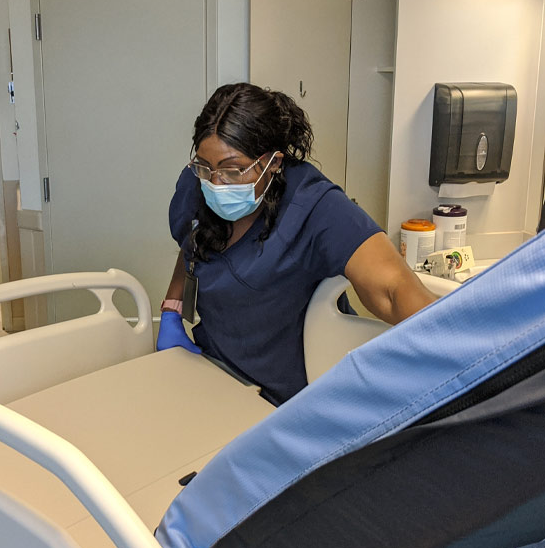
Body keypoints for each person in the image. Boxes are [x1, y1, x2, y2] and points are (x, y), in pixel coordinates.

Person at [157, 82, 436, 406]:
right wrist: (172, 310)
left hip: (293, 399)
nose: (215, 182)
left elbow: (392, 288)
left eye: (232, 170)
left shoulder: (315, 206)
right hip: (217, 374)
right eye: (206, 166)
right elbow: (193, 241)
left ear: (274, 162)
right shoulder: (199, 181)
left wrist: (455, 343)